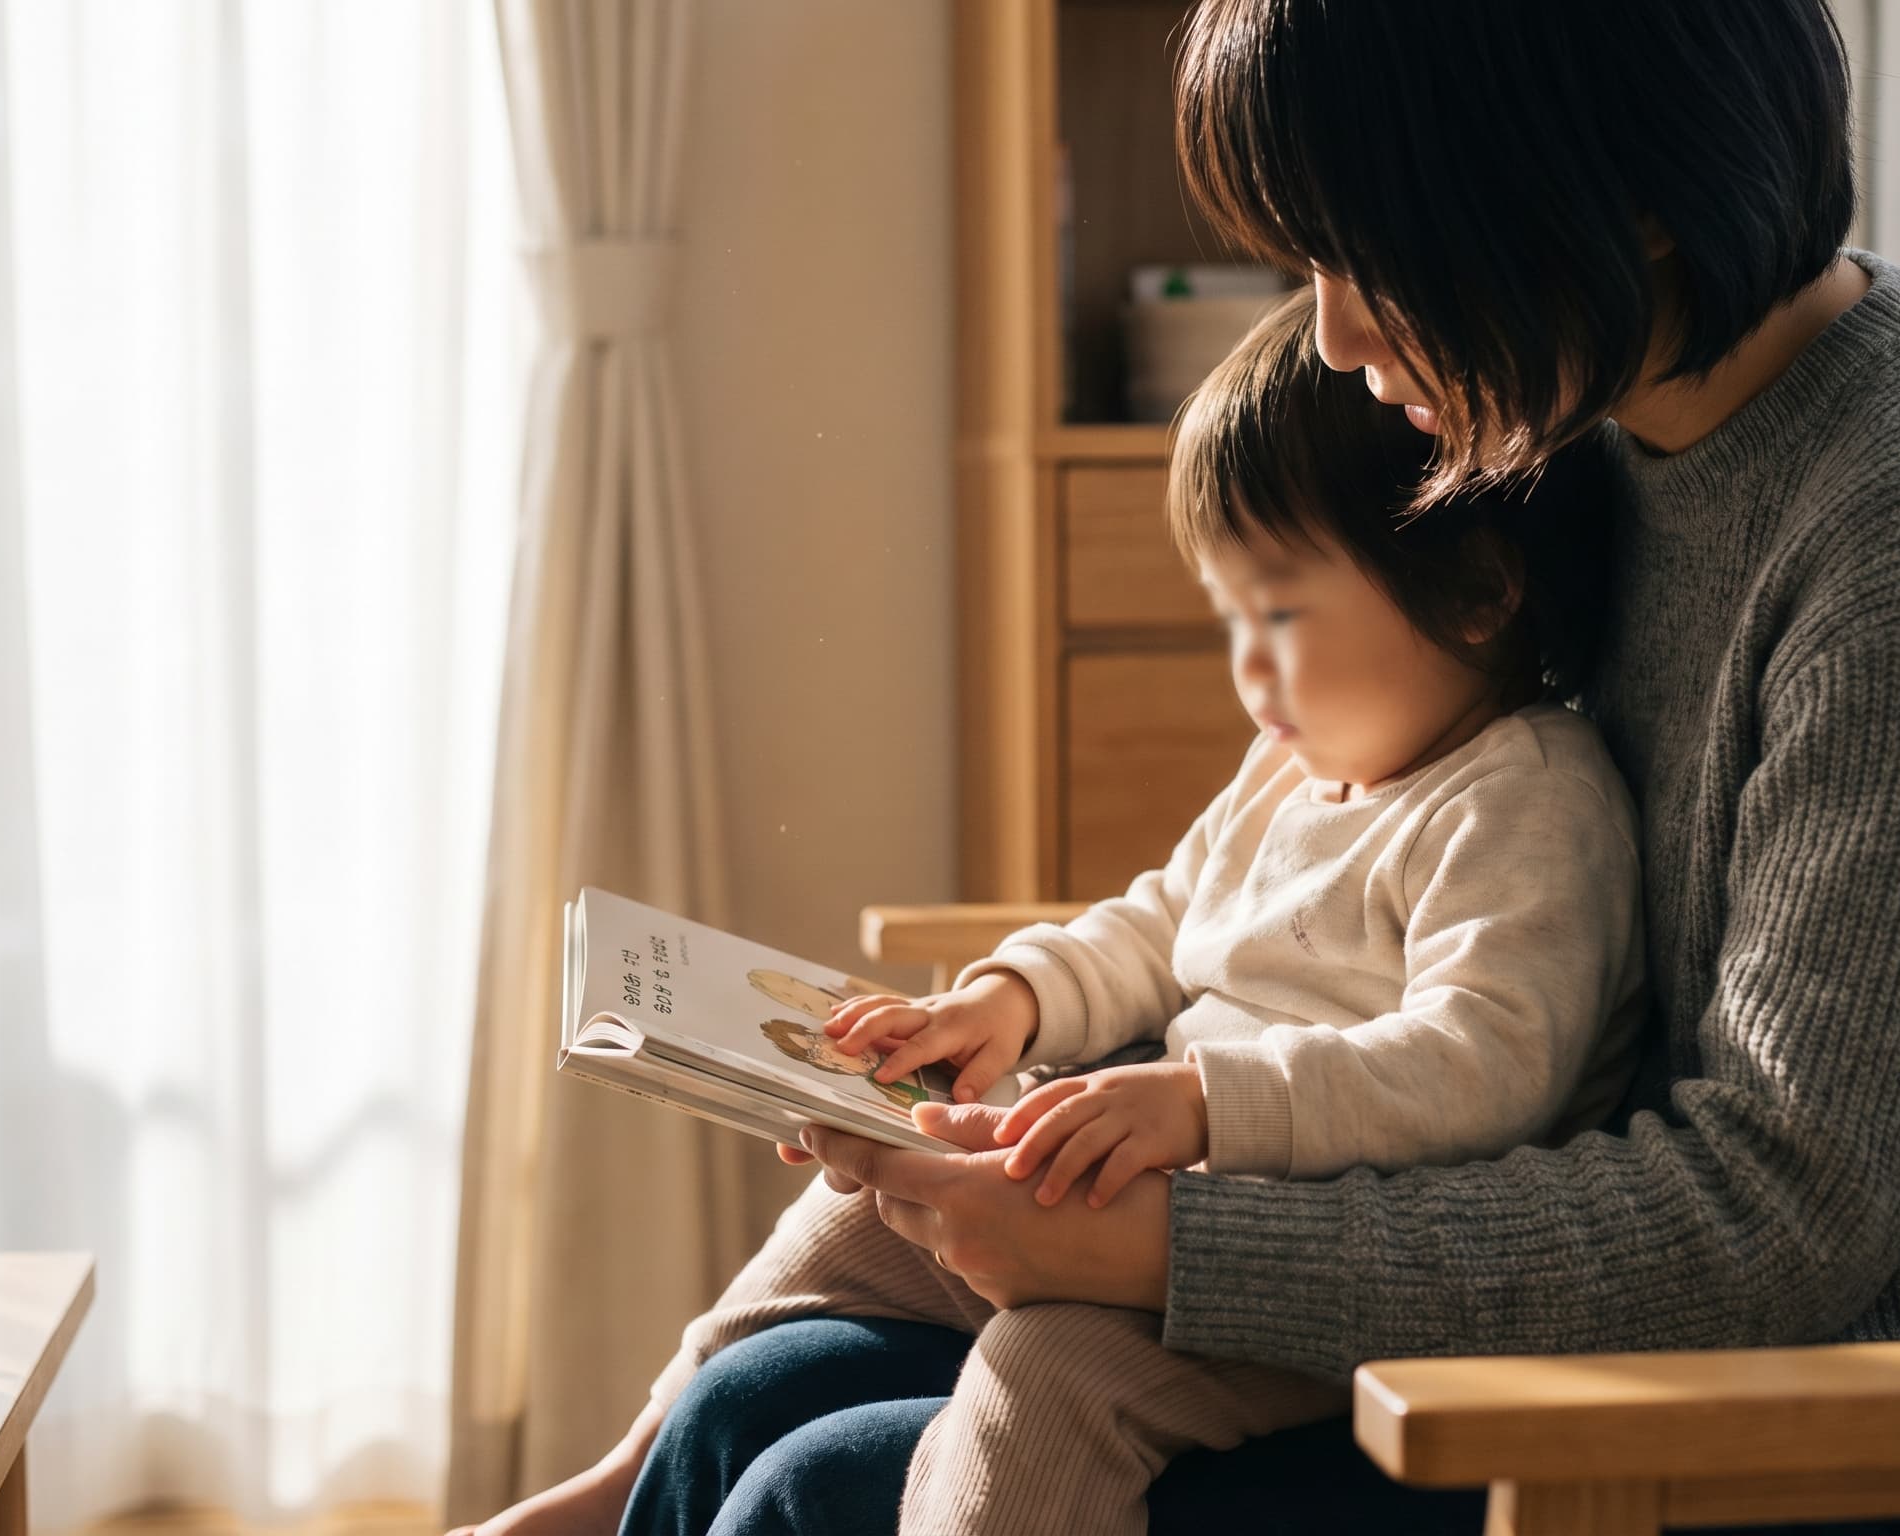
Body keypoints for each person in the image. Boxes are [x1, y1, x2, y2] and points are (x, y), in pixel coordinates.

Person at [508, 1, 1900, 1531]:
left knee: (824, 1486)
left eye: (1371, 253)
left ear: (1621, 193)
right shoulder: (1595, 436)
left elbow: (1775, 1220)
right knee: (763, 1396)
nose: (1331, 337)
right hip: (1619, 1329)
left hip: (1896, 1450)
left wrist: (1169, 1246)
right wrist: (1042, 1076)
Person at [457, 287, 1645, 1536]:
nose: (1247, 672)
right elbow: (1160, 919)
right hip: (1162, 1197)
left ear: (1477, 593)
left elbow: (1485, 1063)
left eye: (1281, 614)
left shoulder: (1526, 803)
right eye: (1230, 615)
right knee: (856, 1201)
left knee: (1053, 1380)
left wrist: (1197, 1103)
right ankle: (620, 1484)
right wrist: (1007, 1001)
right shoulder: (1299, 769)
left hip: (1317, 1281)